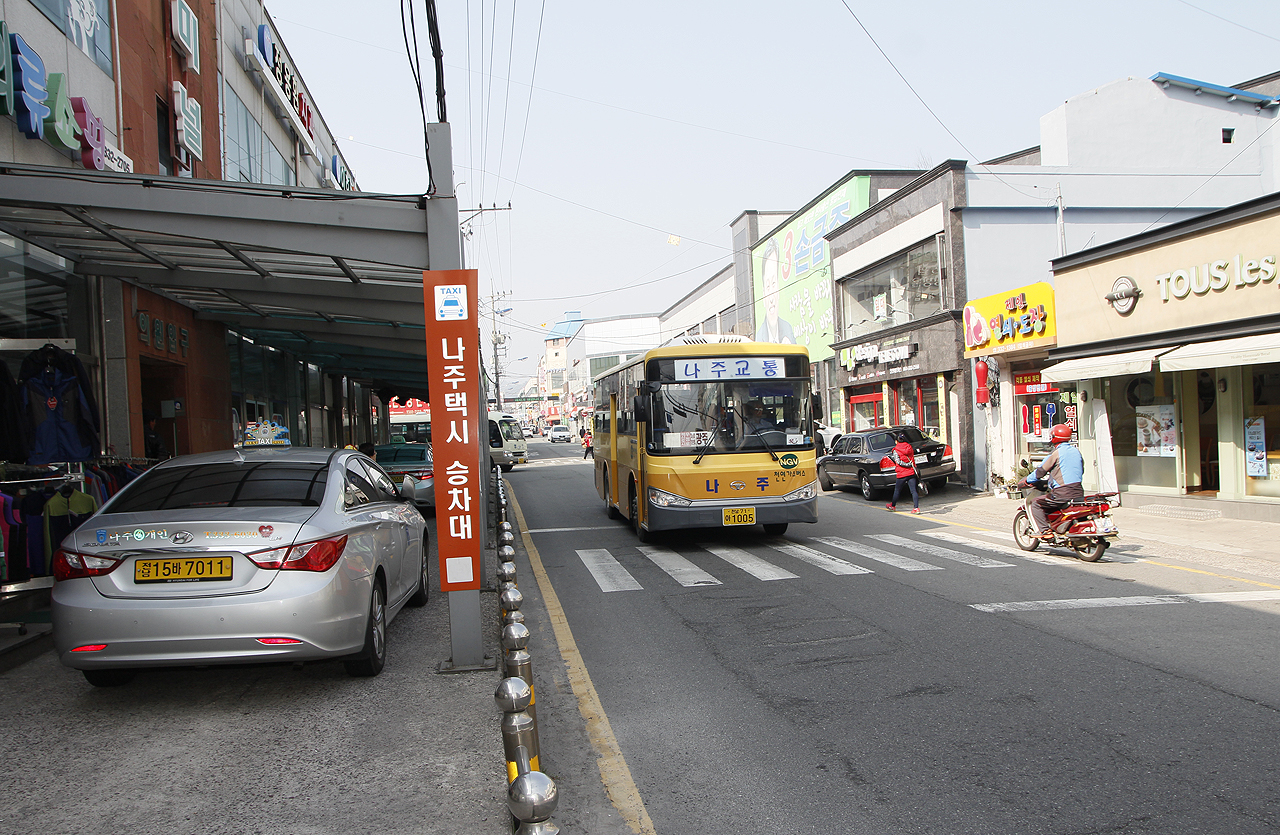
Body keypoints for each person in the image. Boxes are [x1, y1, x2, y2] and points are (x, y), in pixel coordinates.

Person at [1021, 423, 1085, 538]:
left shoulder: (1056, 453)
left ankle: (1045, 531)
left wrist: (1026, 480)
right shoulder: (1077, 452)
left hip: (1062, 493)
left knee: (1036, 503)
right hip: (1078, 492)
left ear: (1054, 438)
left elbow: (1040, 472)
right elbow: (1081, 469)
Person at [753, 238, 796, 344]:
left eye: (773, 284)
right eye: (768, 286)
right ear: (763, 294)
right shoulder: (758, 339)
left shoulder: (788, 330)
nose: (771, 298)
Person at [885, 431, 921, 513]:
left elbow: (898, 461)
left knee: (897, 490)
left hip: (902, 473)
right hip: (911, 472)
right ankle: (916, 508)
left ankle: (893, 505)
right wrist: (909, 465)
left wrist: (906, 465)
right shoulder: (909, 447)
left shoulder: (896, 450)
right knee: (913, 491)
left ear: (896, 441)